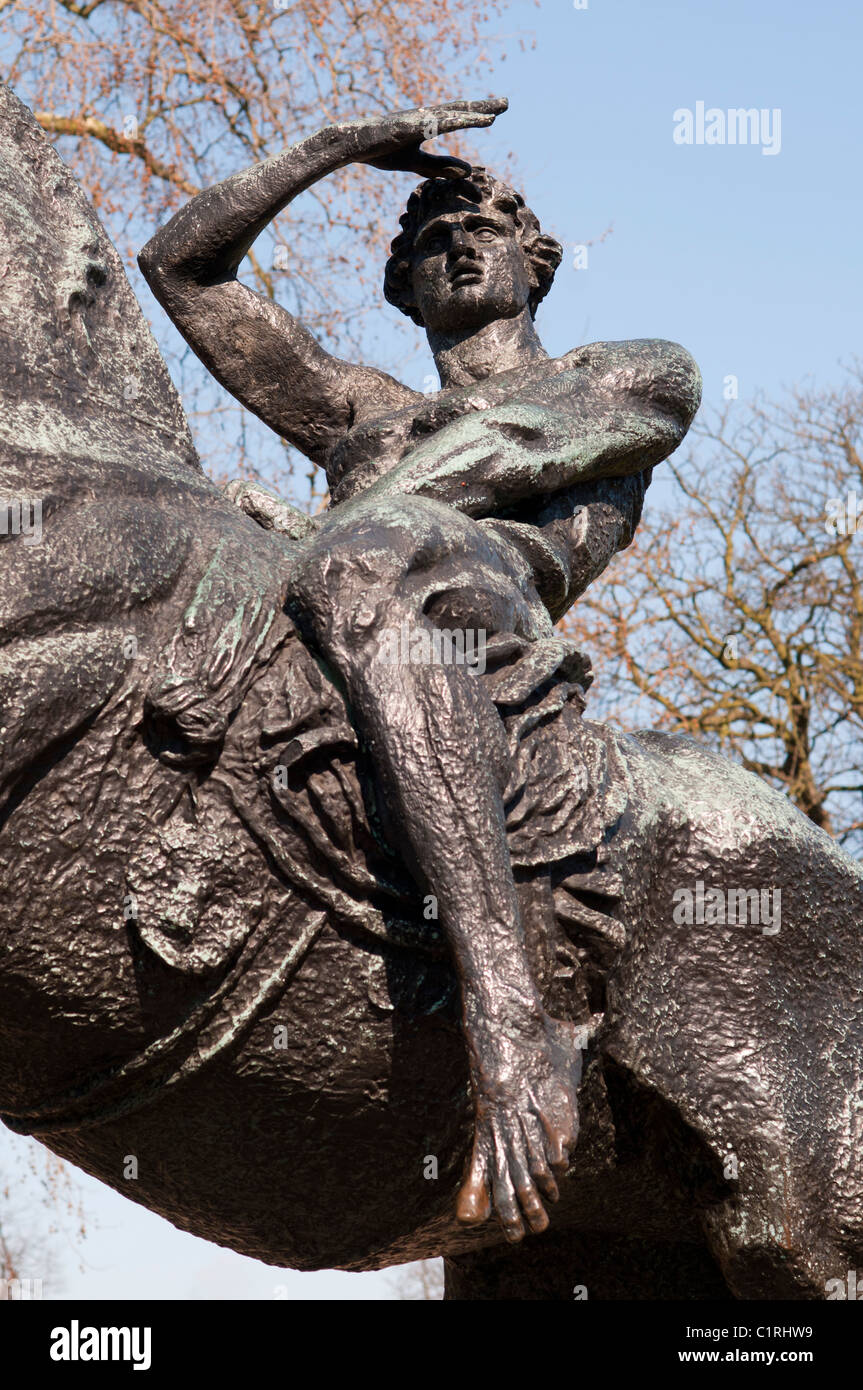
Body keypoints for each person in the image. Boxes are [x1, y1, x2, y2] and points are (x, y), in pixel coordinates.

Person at [139, 98, 701, 1242]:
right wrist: (336, 145)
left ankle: (508, 1016)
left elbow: (503, 460)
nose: (450, 241)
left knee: (357, 556)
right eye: (420, 239)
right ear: (400, 289)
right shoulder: (362, 414)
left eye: (481, 224)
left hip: (476, 604)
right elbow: (182, 271)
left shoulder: (631, 370)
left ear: (535, 263)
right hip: (345, 586)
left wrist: (315, 527)